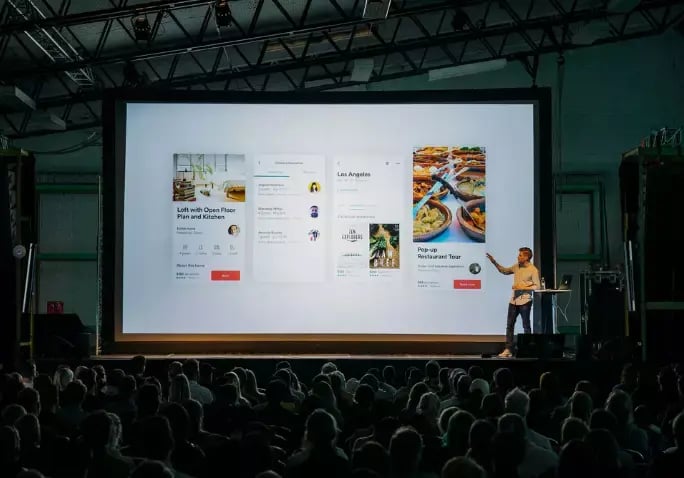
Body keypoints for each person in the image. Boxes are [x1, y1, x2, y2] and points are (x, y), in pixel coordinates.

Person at [486, 247, 540, 358]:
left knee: (526, 326)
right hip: (513, 301)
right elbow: (504, 271)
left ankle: (527, 349)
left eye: (520, 255)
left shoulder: (533, 270)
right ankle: (508, 349)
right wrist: (494, 262)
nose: (518, 257)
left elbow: (537, 286)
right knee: (509, 325)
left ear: (526, 257)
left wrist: (522, 286)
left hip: (525, 301)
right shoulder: (517, 266)